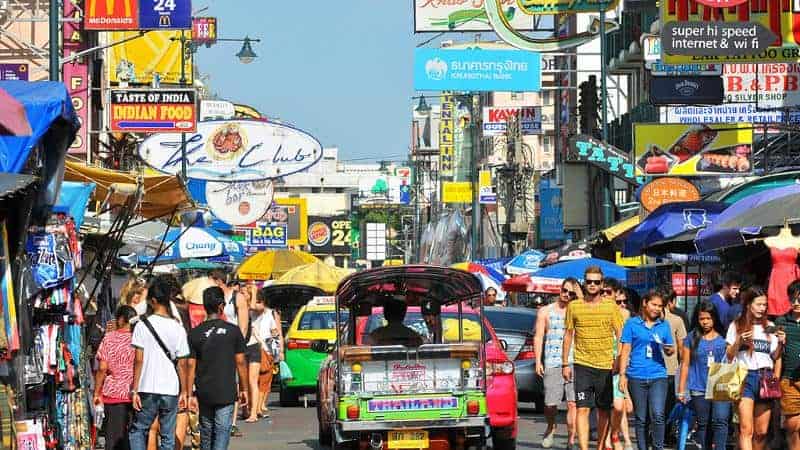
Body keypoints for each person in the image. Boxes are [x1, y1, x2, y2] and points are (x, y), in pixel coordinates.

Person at [562, 266, 623, 450]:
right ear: (584, 282)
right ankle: (583, 447)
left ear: (602, 284)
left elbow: (621, 335)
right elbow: (568, 335)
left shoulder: (611, 307)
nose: (592, 285)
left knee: (604, 410)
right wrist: (565, 363)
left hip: (605, 365)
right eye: (589, 281)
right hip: (582, 364)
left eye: (596, 282)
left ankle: (599, 445)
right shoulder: (574, 306)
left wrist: (619, 360)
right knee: (582, 408)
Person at [128, 275, 190, 450]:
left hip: (147, 386)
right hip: (170, 387)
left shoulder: (141, 325)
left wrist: (134, 390)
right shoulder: (177, 327)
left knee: (139, 430)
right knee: (167, 434)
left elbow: (138, 360)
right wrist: (184, 391)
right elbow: (182, 363)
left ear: (153, 301)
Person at [186, 287, 248, 450]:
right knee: (222, 430)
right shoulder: (233, 331)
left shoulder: (194, 333)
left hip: (204, 391)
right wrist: (244, 388)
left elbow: (191, 364)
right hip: (226, 391)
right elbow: (241, 362)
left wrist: (188, 392)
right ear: (221, 306)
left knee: (206, 430)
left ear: (205, 306)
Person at [726, 286, 784, 450]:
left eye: (764, 305)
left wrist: (780, 343)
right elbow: (729, 355)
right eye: (758, 304)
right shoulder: (736, 325)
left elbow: (775, 356)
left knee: (762, 431)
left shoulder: (770, 327)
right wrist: (739, 341)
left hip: (766, 377)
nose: (762, 308)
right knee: (746, 429)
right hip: (744, 377)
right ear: (748, 305)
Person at [618, 291, 676, 450]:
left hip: (658, 375)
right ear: (645, 303)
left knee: (658, 414)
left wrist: (668, 349)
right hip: (636, 376)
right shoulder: (631, 324)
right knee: (641, 418)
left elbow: (671, 349)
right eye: (654, 304)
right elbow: (626, 349)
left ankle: (658, 447)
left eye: (660, 306)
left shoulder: (664, 325)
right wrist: (623, 374)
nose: (657, 309)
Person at [534, 278, 582, 449]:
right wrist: (538, 360)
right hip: (553, 361)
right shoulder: (545, 311)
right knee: (550, 404)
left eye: (571, 293)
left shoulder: (577, 310)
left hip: (575, 361)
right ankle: (551, 425)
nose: (566, 295)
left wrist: (580, 294)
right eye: (564, 290)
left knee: (573, 403)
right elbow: (539, 336)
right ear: (559, 290)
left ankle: (571, 440)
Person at [677, 300, 730, 450]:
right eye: (702, 319)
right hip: (698, 387)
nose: (705, 322)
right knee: (703, 423)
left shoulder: (723, 337)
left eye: (708, 318)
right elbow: (685, 364)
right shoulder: (691, 337)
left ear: (714, 318)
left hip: (720, 386)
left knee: (721, 421)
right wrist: (681, 389)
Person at [94, 305, 138, 450]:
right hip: (136, 394)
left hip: (114, 395)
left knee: (114, 439)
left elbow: (102, 368)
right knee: (134, 439)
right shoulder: (139, 338)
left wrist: (96, 392)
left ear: (120, 320)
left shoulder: (109, 338)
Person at [603, 281, 634, 450]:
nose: (621, 304)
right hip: (599, 364)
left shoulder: (625, 315)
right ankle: (612, 438)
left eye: (623, 301)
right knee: (609, 407)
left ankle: (613, 435)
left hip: (619, 366)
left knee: (621, 406)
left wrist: (622, 364)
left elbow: (626, 343)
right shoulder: (597, 312)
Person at [659, 288, 687, 442]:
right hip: (669, 370)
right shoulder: (677, 320)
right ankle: (665, 433)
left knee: (659, 406)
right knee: (667, 405)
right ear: (672, 302)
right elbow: (682, 349)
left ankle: (659, 433)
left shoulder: (675, 320)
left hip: (663, 370)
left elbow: (682, 349)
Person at [247, 289, 281, 420]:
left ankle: (258, 407)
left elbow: (276, 334)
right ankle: (254, 409)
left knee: (265, 381)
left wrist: (277, 351)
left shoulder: (270, 314)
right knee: (255, 380)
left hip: (267, 350)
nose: (256, 305)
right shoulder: (250, 313)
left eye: (258, 302)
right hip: (254, 347)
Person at [779, 280, 800, 450]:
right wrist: (780, 343)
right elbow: (776, 355)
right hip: (789, 379)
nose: (796, 303)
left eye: (799, 299)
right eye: (792, 299)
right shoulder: (782, 321)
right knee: (793, 427)